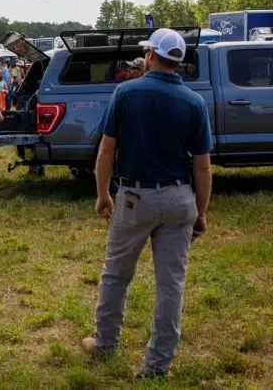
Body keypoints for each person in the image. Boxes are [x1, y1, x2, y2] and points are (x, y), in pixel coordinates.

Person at [82, 28, 212, 379]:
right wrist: (201, 213)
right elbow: (202, 166)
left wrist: (102, 194)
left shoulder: (126, 92)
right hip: (179, 197)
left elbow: (107, 149)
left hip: (135, 197)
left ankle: (106, 342)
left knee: (116, 275)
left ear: (152, 55)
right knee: (171, 284)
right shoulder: (194, 102)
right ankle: (156, 367)